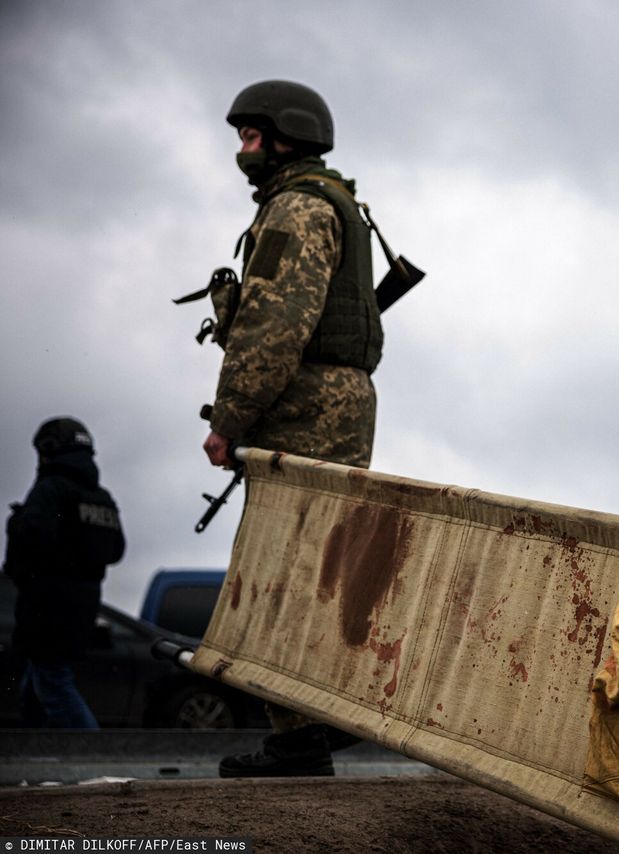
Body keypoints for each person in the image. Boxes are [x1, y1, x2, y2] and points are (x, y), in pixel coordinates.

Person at [200, 79, 383, 777]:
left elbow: (273, 323)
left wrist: (230, 418)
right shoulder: (332, 201)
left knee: (285, 566)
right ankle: (308, 730)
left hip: (306, 405)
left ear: (286, 136)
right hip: (335, 401)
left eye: (251, 136)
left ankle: (307, 732)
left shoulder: (298, 207)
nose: (242, 151)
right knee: (313, 563)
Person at [3, 418, 125, 728]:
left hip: (46, 607)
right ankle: (37, 759)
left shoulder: (51, 490)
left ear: (49, 449)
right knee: (37, 685)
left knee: (54, 687)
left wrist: (16, 525)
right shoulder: (103, 497)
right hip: (83, 606)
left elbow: (30, 542)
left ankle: (94, 759)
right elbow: (116, 551)